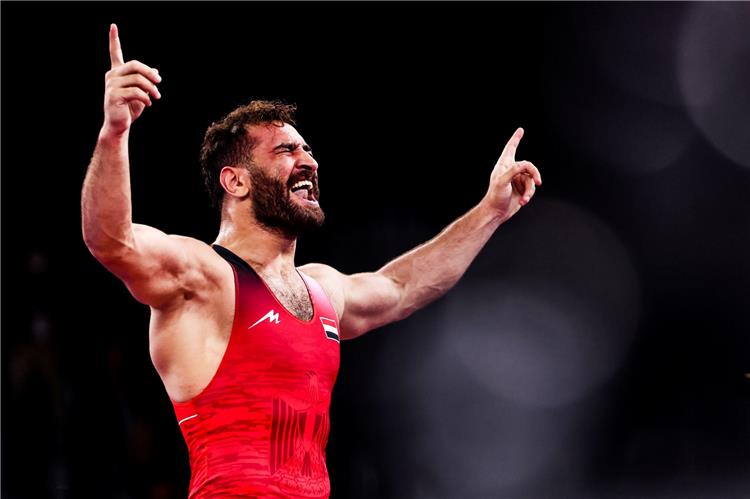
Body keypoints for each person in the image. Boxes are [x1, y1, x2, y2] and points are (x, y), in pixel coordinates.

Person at [81, 24, 542, 499]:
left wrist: (490, 211)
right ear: (236, 181)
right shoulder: (205, 276)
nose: (309, 162)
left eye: (308, 149)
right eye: (286, 150)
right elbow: (112, 242)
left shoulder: (321, 289)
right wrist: (115, 132)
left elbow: (403, 288)